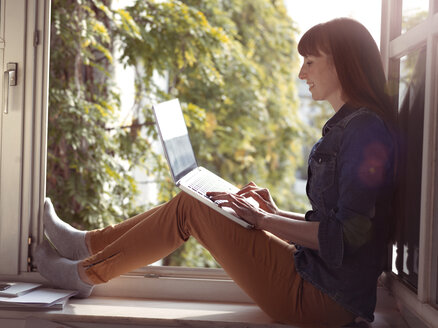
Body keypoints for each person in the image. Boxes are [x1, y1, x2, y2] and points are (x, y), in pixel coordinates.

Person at [35, 17, 397, 327]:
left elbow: (348, 238)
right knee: (194, 200)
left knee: (192, 208)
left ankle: (85, 271)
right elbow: (335, 225)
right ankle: (86, 246)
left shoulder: (364, 131)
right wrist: (272, 214)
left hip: (323, 300)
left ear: (341, 64)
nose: (301, 72)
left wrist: (263, 221)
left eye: (310, 61)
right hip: (318, 283)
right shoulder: (353, 126)